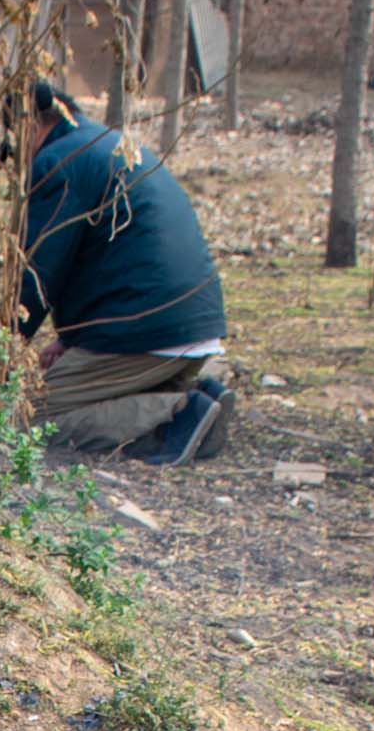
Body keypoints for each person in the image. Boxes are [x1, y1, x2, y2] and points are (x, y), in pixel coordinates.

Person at [18, 78, 234, 465]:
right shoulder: (103, 146)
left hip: (147, 334)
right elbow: (109, 259)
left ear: (29, 126)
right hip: (190, 328)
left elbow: (37, 273)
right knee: (65, 397)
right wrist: (73, 338)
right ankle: (195, 393)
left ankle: (175, 418)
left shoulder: (58, 161)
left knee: (25, 419)